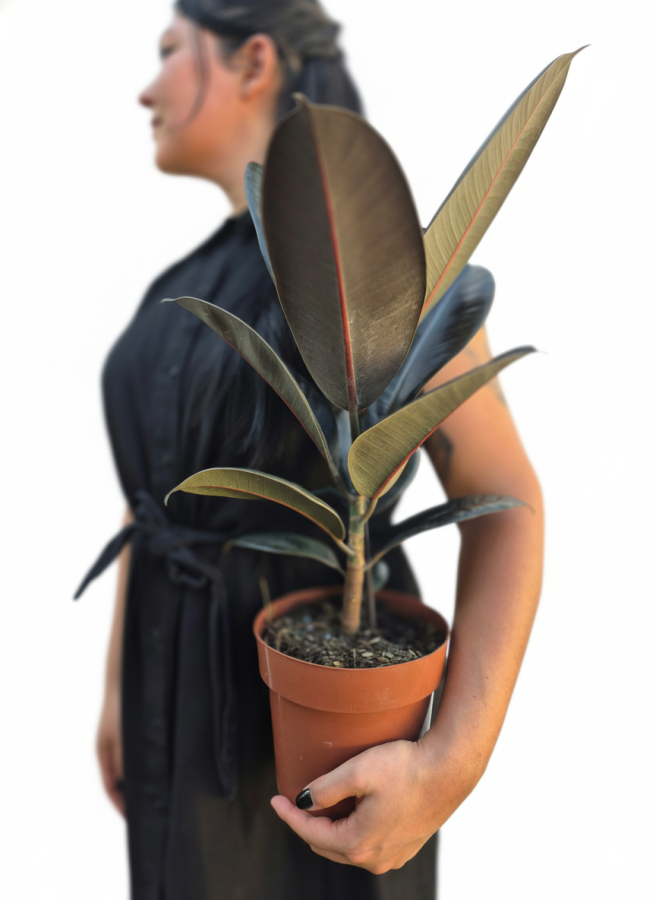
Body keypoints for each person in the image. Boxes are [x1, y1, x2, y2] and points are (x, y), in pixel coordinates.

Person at [82, 2, 544, 898]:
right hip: (166, 698)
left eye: (171, 51)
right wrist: (116, 687)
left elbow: (504, 498)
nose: (147, 88)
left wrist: (453, 760)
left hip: (330, 712)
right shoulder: (180, 283)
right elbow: (153, 505)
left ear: (253, 61)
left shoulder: (373, 276)